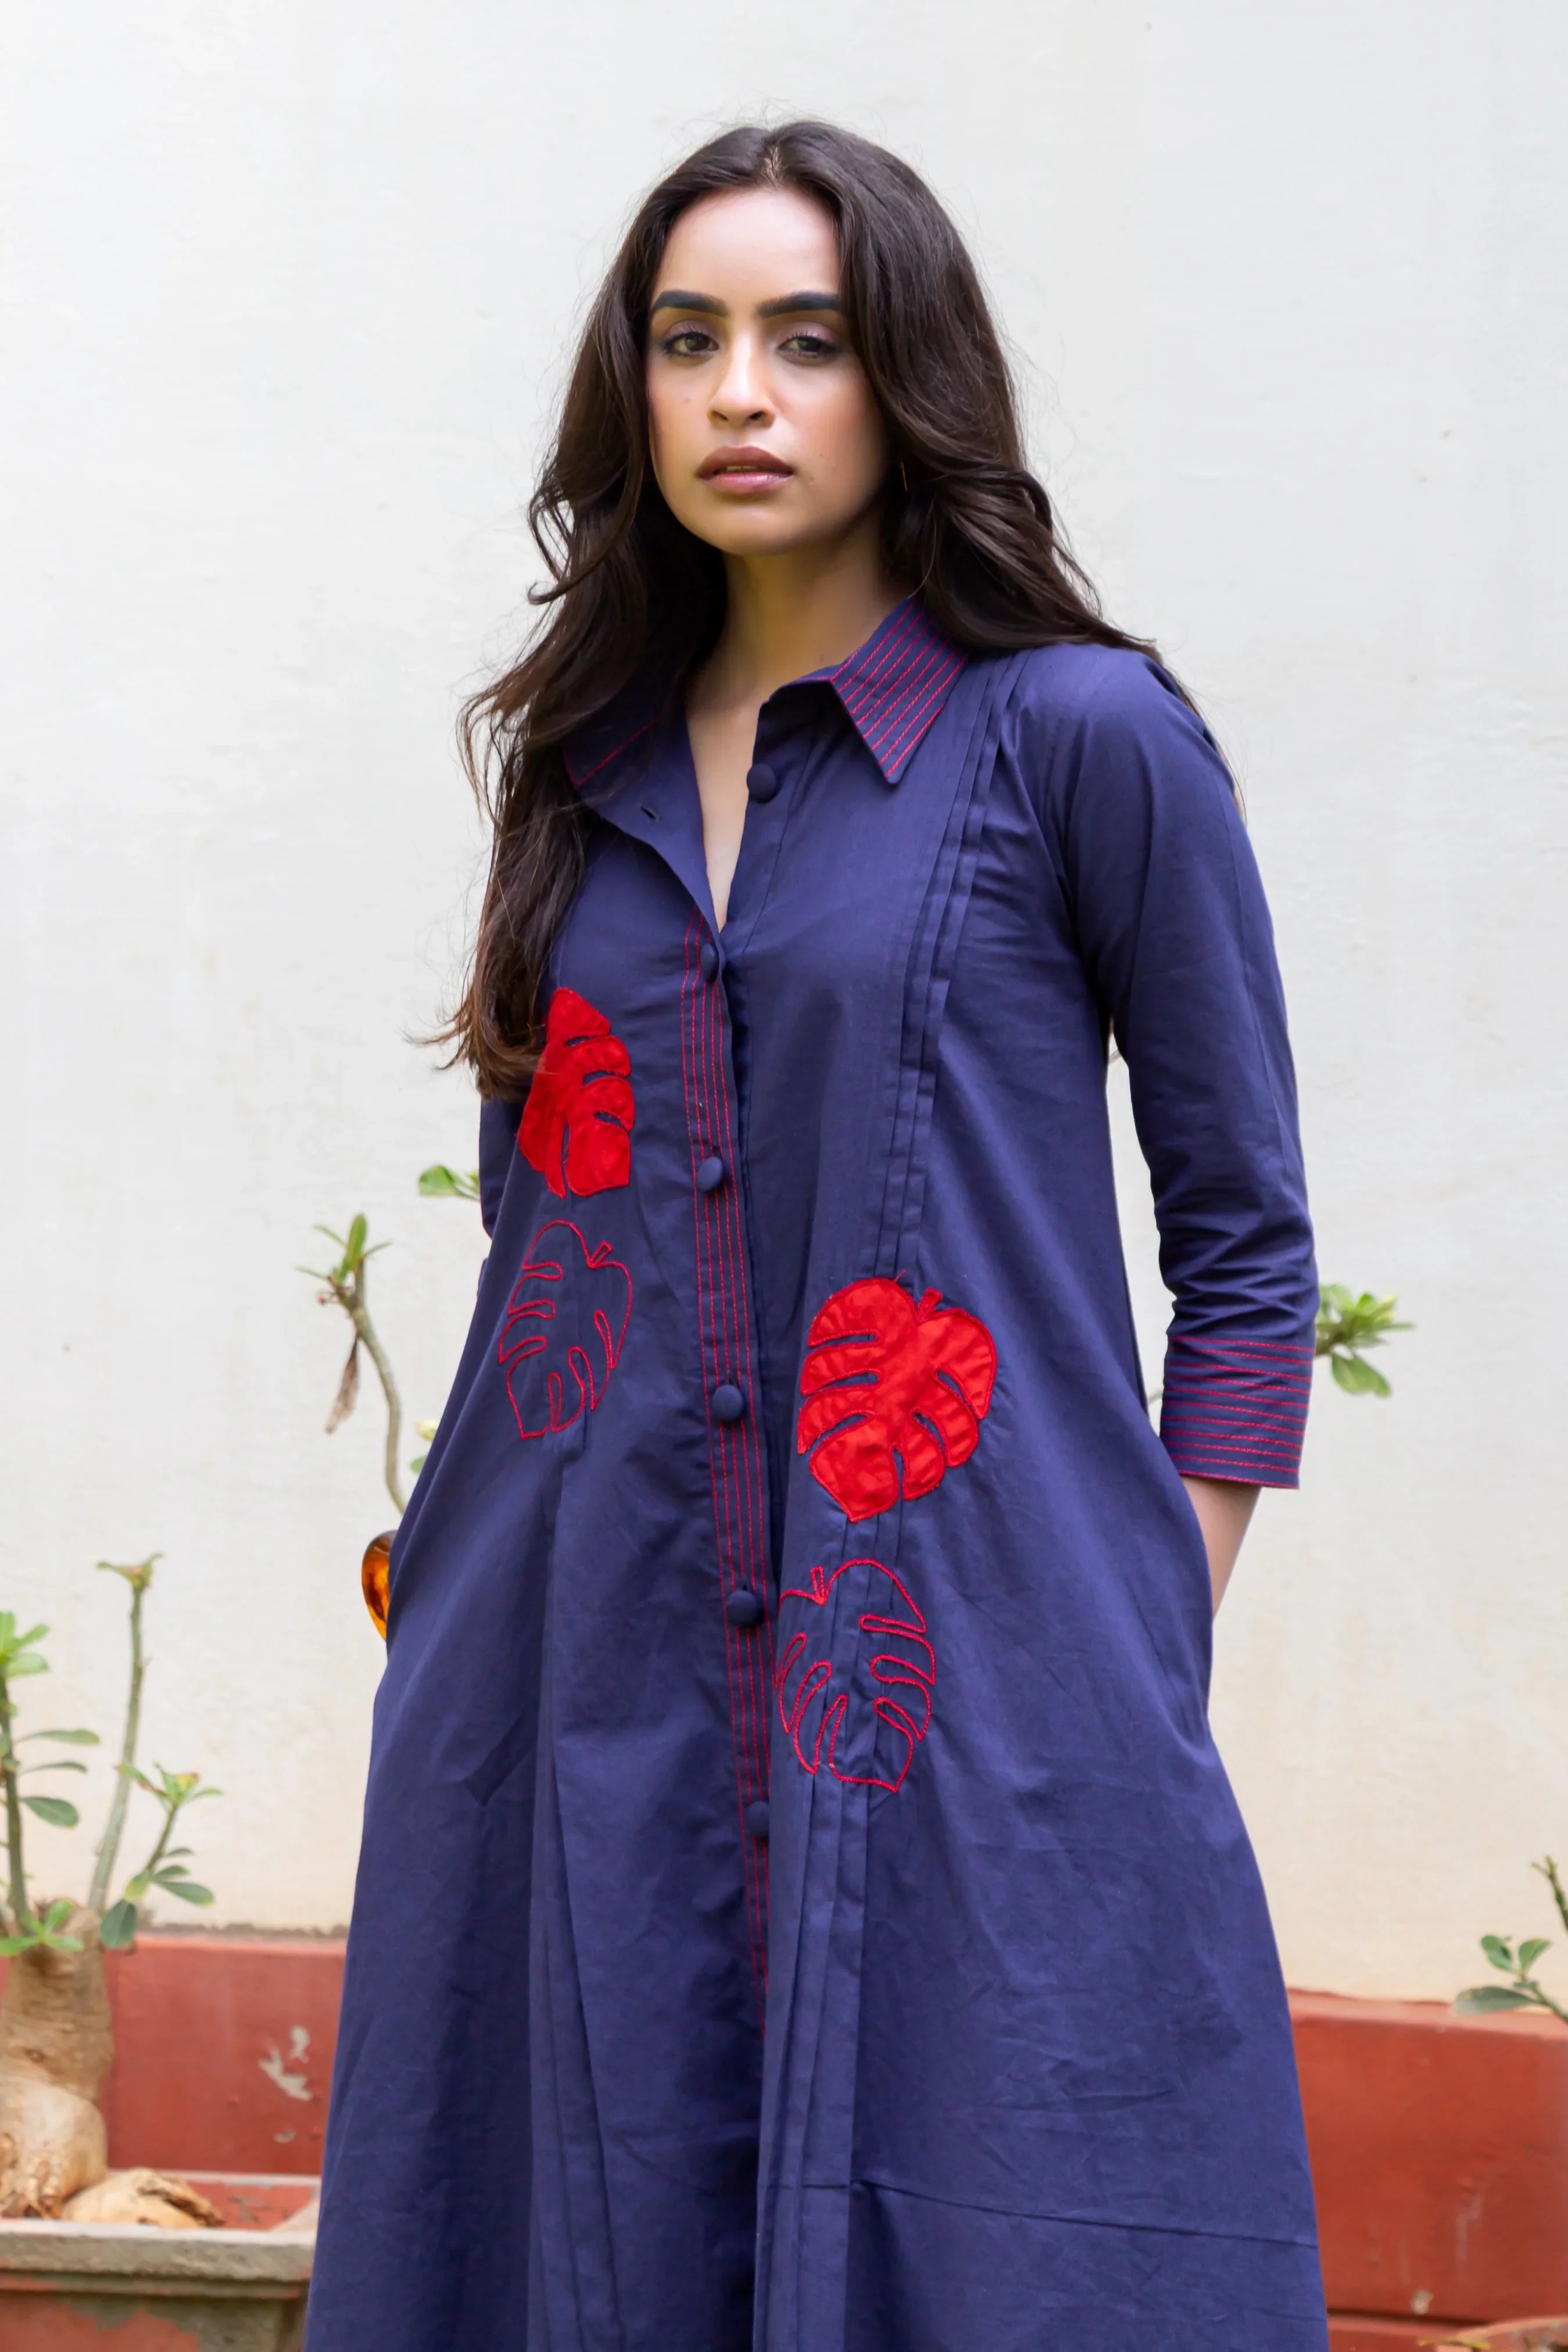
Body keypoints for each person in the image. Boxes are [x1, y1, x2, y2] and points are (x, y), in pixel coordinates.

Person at [306, 120, 1327, 2352]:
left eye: (808, 340)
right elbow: (535, 1247)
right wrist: (449, 1608)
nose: (740, 395)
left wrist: (1147, 1624)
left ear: (908, 379)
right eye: (690, 342)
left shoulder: (1080, 739)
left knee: (1008, 2233)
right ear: (633, 389)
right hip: (578, 1656)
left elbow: (1245, 1239)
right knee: (577, 2237)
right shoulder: (576, 767)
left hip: (968, 1662)